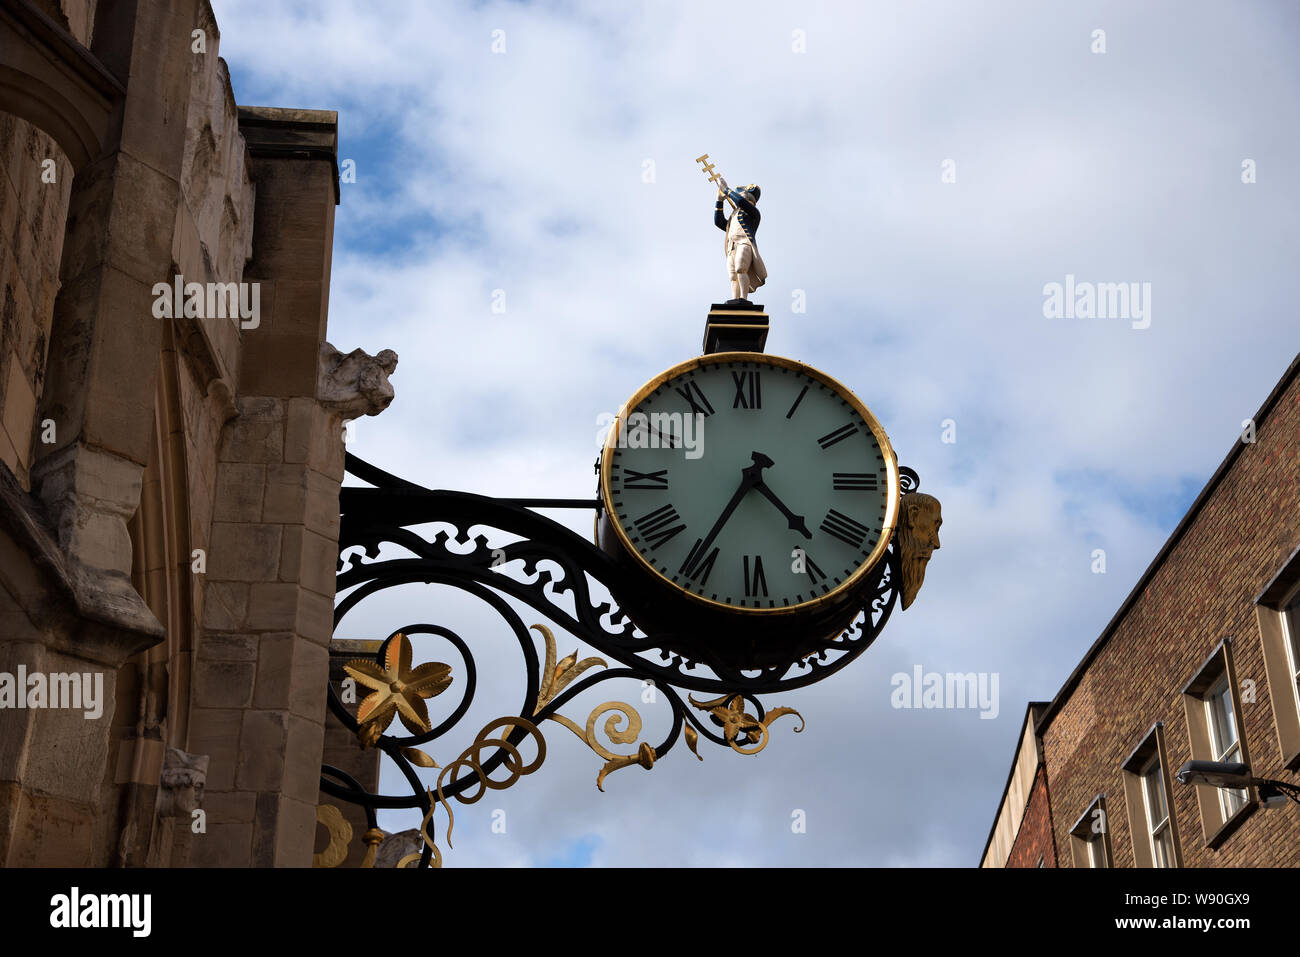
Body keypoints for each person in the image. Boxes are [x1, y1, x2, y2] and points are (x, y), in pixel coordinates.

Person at [713, 176, 767, 301]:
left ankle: (743, 298)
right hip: (732, 245)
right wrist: (719, 200)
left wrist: (726, 190)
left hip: (744, 242)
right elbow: (719, 222)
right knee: (733, 275)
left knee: (740, 268)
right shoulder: (735, 214)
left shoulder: (753, 212)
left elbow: (741, 202)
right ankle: (735, 298)